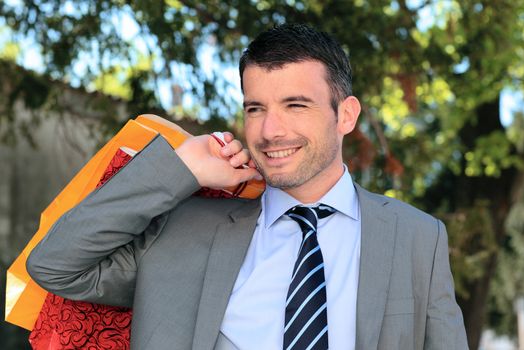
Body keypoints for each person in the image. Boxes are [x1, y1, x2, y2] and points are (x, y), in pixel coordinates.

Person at [27, 24, 468, 350]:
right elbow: (55, 264)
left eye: (296, 105)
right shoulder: (185, 228)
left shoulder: (418, 237)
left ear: (346, 115)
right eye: (255, 108)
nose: (270, 130)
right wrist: (181, 169)